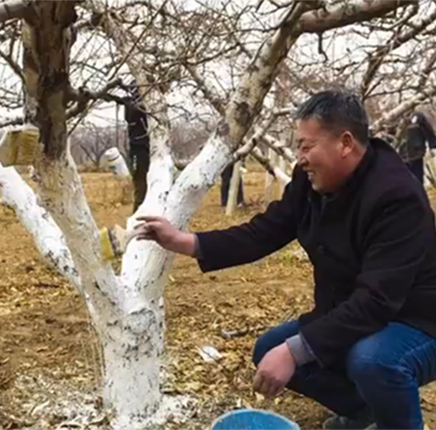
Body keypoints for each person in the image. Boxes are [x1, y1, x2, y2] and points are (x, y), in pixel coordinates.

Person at [136, 90, 436, 430]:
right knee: (270, 348)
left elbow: (377, 300)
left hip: (418, 322)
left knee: (370, 360)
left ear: (346, 143)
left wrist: (296, 350)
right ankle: (367, 412)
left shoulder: (396, 197)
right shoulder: (311, 183)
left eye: (306, 146)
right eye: (297, 146)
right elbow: (264, 232)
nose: (300, 157)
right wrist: (185, 241)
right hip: (358, 315)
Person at [121, 81, 150, 212]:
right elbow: (134, 112)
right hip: (137, 150)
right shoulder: (131, 104)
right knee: (141, 189)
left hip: (148, 149)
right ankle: (136, 221)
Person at [397, 111, 436, 184]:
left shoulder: (418, 116)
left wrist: (432, 145)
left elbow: (428, 130)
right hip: (403, 156)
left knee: (417, 180)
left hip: (416, 155)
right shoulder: (397, 119)